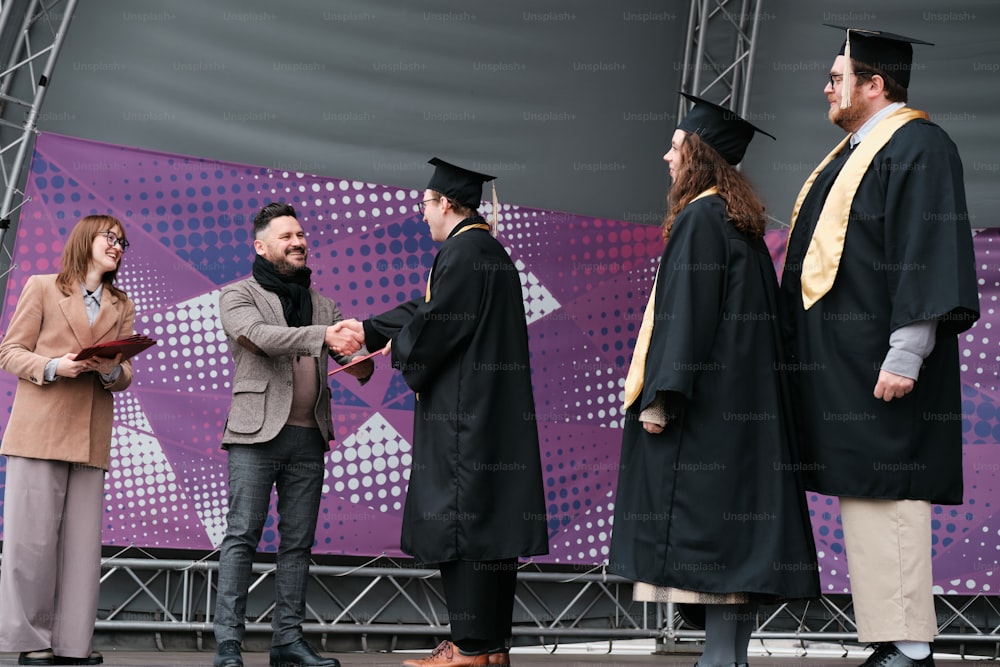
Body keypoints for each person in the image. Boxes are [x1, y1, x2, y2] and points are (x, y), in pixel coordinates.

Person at [780, 26, 980, 667]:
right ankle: (890, 638)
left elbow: (928, 252)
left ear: (876, 83)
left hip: (882, 363)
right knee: (864, 493)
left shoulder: (918, 145)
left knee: (889, 491)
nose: (827, 86)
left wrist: (906, 352)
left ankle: (910, 646)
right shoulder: (851, 153)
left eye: (838, 76)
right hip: (844, 362)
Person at [608, 94, 821, 667]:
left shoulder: (701, 218)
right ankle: (728, 658)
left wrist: (660, 398)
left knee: (708, 538)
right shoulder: (739, 222)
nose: (665, 157)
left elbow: (687, 315)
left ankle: (719, 661)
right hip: (743, 410)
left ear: (698, 156)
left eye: (676, 147)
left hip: (704, 412)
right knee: (735, 542)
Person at [346, 158, 548, 667]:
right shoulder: (488, 252)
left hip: (464, 422)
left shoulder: (462, 253)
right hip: (492, 416)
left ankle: (469, 647)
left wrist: (399, 348)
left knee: (464, 527)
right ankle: (494, 645)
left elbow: (436, 326)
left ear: (447, 204)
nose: (423, 215)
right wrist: (373, 330)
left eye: (426, 205)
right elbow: (428, 308)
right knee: (492, 527)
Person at [212, 202, 370, 667]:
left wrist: (367, 355)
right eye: (286, 236)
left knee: (297, 543)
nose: (298, 241)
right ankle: (228, 645)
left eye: (300, 234)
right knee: (241, 536)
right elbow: (259, 337)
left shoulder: (325, 306)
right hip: (254, 434)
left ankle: (287, 642)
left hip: (309, 437)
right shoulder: (237, 296)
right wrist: (324, 336)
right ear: (261, 246)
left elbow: (346, 361)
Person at [0, 215, 136, 666]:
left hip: (91, 433)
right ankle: (28, 640)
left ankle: (72, 644)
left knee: (81, 547)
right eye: (109, 238)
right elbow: (9, 352)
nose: (117, 246)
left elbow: (125, 372)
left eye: (122, 242)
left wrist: (112, 371)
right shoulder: (42, 287)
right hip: (39, 430)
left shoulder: (121, 303)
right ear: (85, 240)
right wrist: (57, 365)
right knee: (30, 543)